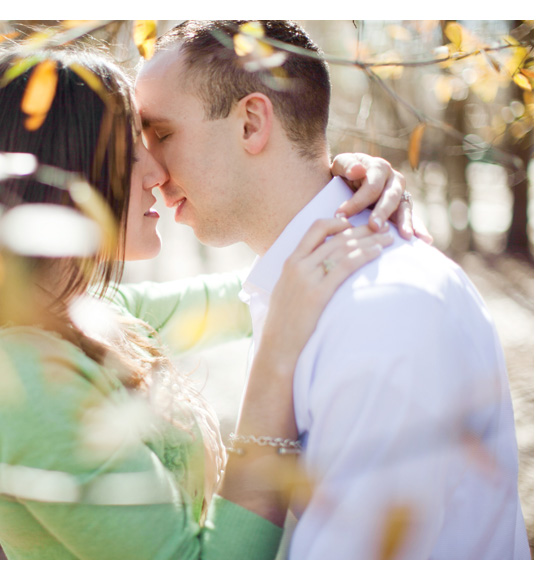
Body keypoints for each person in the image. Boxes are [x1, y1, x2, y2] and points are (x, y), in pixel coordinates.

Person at [0, 45, 415, 560]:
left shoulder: (91, 313)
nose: (156, 174)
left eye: (157, 140)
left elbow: (259, 293)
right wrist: (275, 368)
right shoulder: (18, 383)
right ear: (58, 177)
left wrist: (339, 190)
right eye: (130, 150)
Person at [135, 20, 530, 559]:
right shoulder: (299, 288)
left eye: (161, 134)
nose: (150, 171)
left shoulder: (384, 312)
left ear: (252, 123)